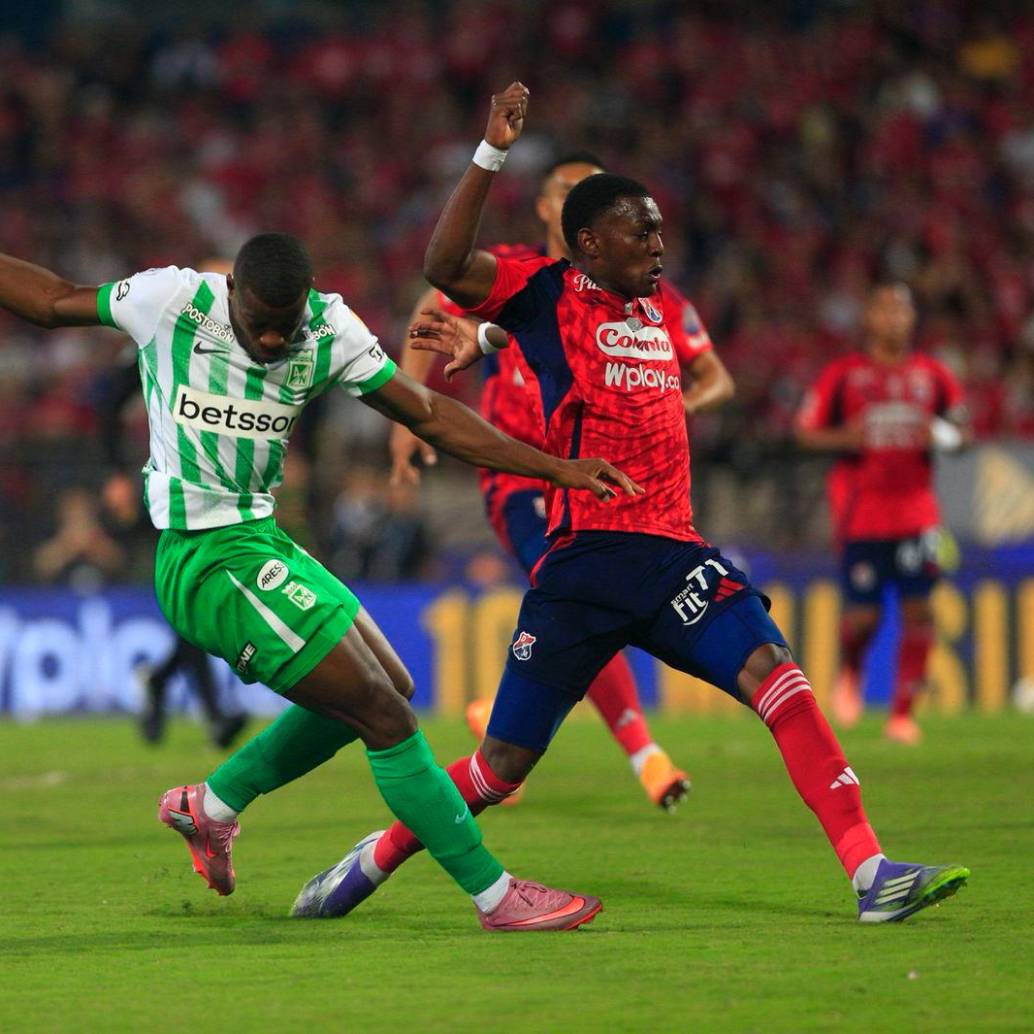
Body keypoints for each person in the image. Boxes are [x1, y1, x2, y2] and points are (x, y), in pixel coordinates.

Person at [296, 83, 969, 924]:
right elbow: (442, 269)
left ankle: (871, 873)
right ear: (589, 242)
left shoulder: (662, 304)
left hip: (674, 553)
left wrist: (490, 341)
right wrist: (490, 156)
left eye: (657, 226)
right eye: (640, 228)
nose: (659, 240)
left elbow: (690, 370)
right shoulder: (544, 288)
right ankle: (375, 857)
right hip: (583, 565)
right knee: (501, 766)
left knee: (778, 677)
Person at [0, 231, 642, 931]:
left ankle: (210, 807)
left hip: (263, 539)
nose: (275, 340)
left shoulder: (329, 328)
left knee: (390, 687)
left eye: (288, 324)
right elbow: (56, 299)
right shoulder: (173, 301)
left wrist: (552, 465)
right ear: (233, 296)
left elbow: (426, 412)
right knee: (385, 717)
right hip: (203, 557)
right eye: (260, 325)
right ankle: (496, 896)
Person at [390, 151, 735, 810]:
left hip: (599, 480)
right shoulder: (519, 271)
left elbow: (715, 373)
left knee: (584, 610)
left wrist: (671, 408)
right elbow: (440, 299)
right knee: (582, 592)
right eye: (568, 190)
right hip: (522, 478)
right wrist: (408, 406)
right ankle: (645, 755)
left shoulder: (643, 294)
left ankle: (503, 718)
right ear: (550, 209)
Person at [795, 283, 970, 743]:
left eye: (903, 310)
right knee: (864, 619)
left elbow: (964, 431)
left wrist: (946, 437)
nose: (895, 318)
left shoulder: (932, 374)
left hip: (917, 515)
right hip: (863, 515)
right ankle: (851, 669)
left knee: (919, 611)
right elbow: (805, 432)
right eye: (886, 309)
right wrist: (844, 439)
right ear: (869, 318)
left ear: (913, 320)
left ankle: (902, 715)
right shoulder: (845, 375)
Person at [99, 329, 249, 749]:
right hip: (161, 481)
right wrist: (114, 473)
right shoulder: (167, 332)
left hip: (212, 482)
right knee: (196, 589)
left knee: (200, 594)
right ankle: (212, 712)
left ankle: (162, 682)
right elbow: (110, 401)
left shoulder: (235, 342)